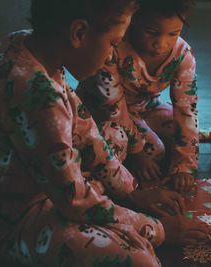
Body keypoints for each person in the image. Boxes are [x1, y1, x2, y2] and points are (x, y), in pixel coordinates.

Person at [0, 0, 207, 266]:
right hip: (4, 221)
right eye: (114, 43)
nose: (111, 56)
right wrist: (156, 229)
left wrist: (132, 192)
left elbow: (85, 128)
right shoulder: (37, 95)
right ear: (79, 33)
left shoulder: (23, 43)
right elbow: (73, 199)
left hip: (36, 186)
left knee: (109, 159)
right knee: (140, 260)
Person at [76, 0, 199, 195]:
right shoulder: (113, 47)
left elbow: (187, 108)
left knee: (181, 130)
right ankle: (114, 184)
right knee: (154, 150)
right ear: (132, 20)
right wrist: (137, 153)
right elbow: (114, 107)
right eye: (151, 31)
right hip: (103, 111)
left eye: (173, 34)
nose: (161, 44)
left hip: (146, 106)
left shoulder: (183, 56)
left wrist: (184, 166)